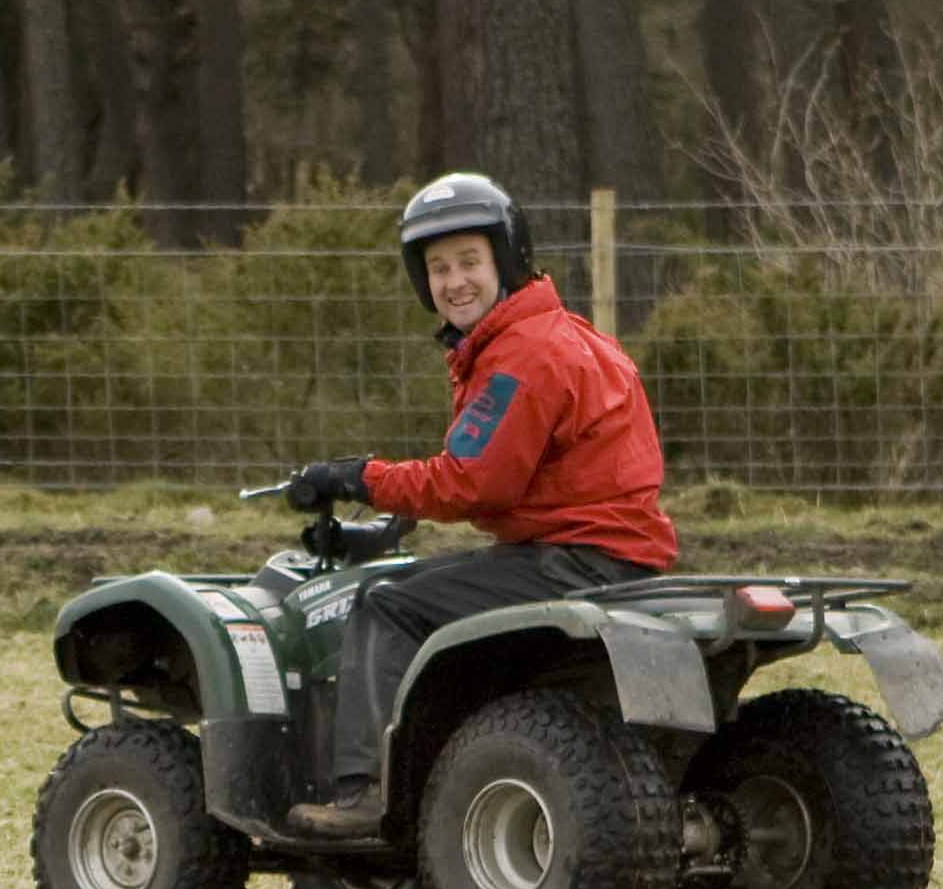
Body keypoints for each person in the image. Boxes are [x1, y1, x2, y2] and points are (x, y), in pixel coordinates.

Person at [280, 173, 678, 840]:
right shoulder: (559, 333)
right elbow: (517, 473)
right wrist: (398, 518)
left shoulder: (521, 355)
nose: (454, 281)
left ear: (506, 259)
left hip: (573, 560)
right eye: (437, 268)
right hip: (608, 552)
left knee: (386, 605)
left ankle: (362, 793)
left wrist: (356, 478)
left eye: (468, 261)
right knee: (434, 582)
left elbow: (473, 484)